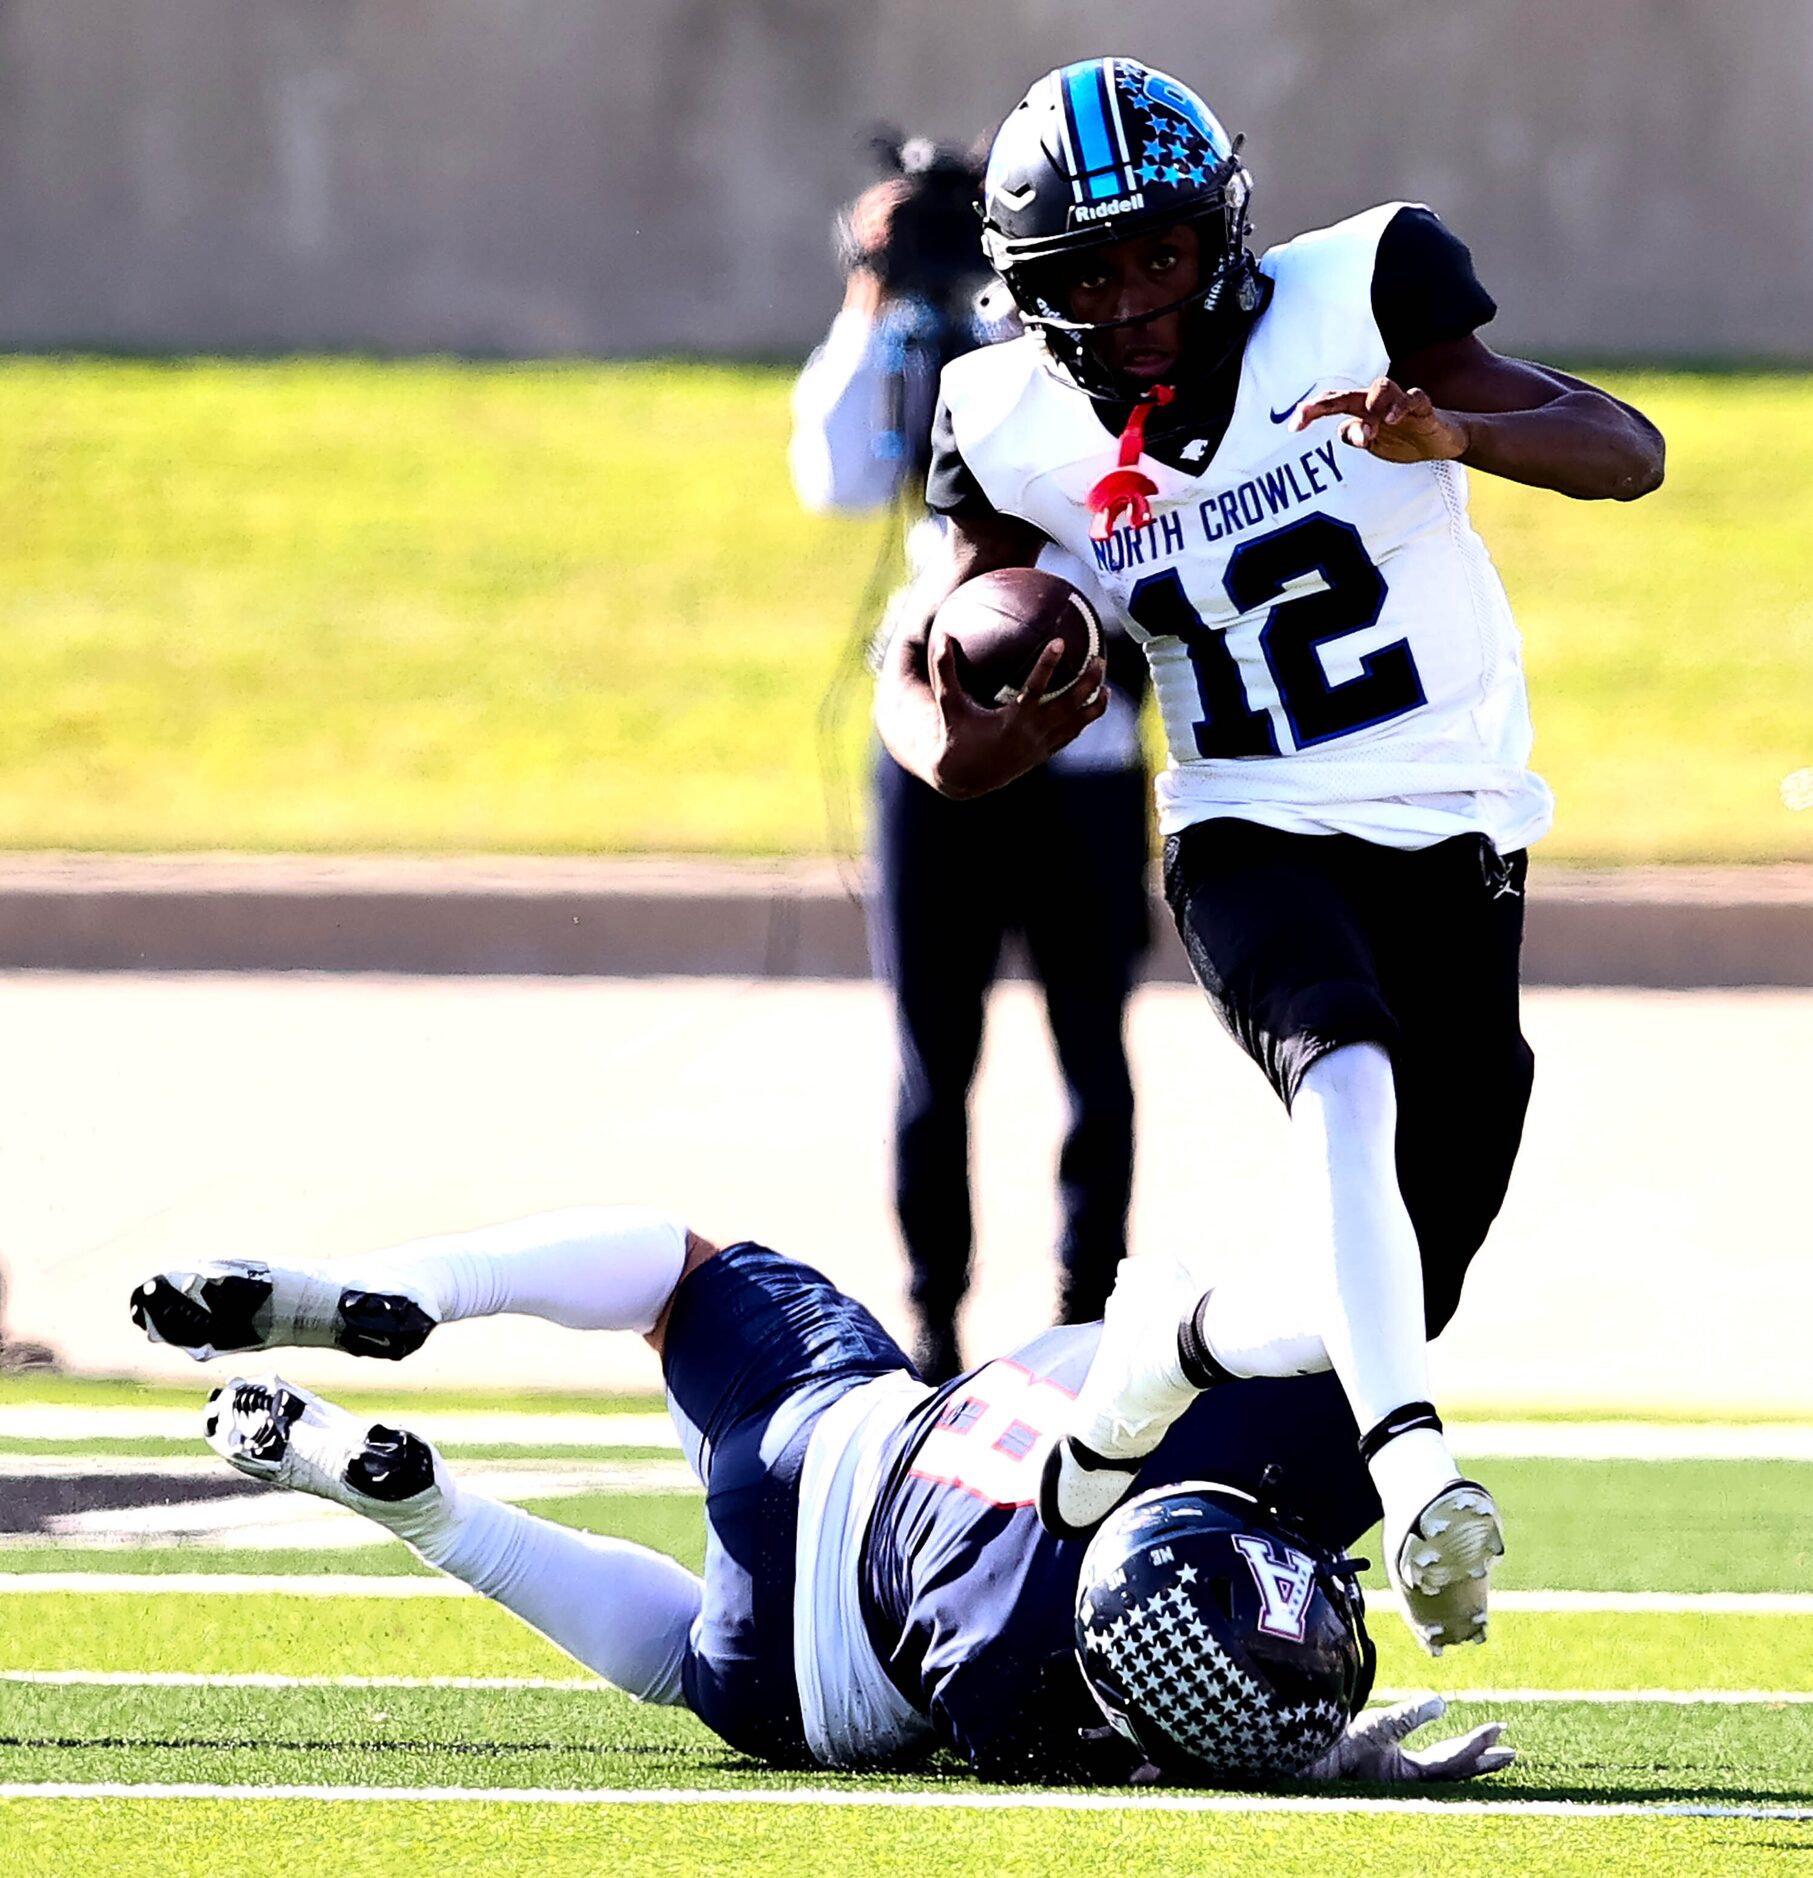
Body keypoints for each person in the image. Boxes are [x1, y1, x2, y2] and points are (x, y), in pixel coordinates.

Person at [870, 59, 1665, 1654]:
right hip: (1244, 819)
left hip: (1448, 822)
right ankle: (1416, 1455)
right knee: (1342, 1072)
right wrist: (958, 738)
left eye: (1158, 252)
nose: (1135, 297)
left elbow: (1624, 447)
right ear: (1033, 293)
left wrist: (1457, 430)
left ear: (1219, 231)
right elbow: (930, 649)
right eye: (1088, 273)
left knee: (1402, 1276)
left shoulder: (1363, 292)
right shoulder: (1004, 413)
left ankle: (1170, 1341)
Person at [129, 1213, 1511, 1786]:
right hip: (805, 1670)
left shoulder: (1228, 1422)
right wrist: (1313, 1747)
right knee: (682, 1665)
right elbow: (1141, 1727)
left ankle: (425, 1289)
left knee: (678, 1267)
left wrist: (1398, 1447)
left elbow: (1300, 1315)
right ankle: (420, 1504)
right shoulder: (1029, 1695)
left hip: (840, 1426)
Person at [791, 135, 1154, 1380]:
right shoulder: (926, 343)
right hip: (939, 747)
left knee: (1091, 1045)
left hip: (1088, 752)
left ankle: (1085, 1311)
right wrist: (874, 294)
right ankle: (933, 1323)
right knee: (931, 1054)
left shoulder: (1109, 342)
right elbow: (838, 480)